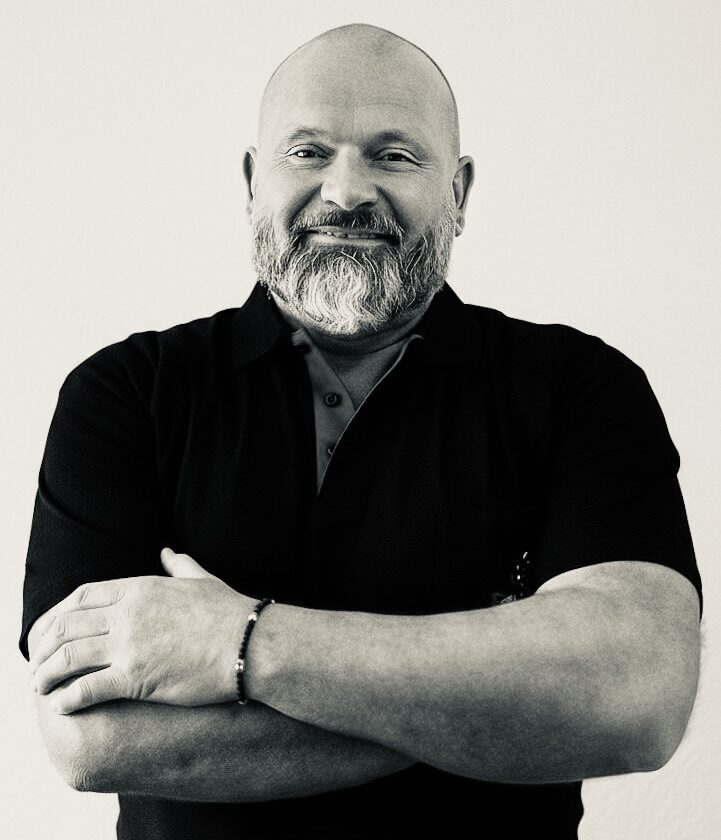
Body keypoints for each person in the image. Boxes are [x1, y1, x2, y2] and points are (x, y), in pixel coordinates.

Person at [20, 23, 702, 840]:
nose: (345, 192)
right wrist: (500, 699)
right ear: (251, 182)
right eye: (308, 152)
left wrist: (239, 642)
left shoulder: (581, 387)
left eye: (394, 155)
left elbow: (636, 697)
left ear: (458, 193)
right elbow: (94, 740)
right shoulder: (124, 392)